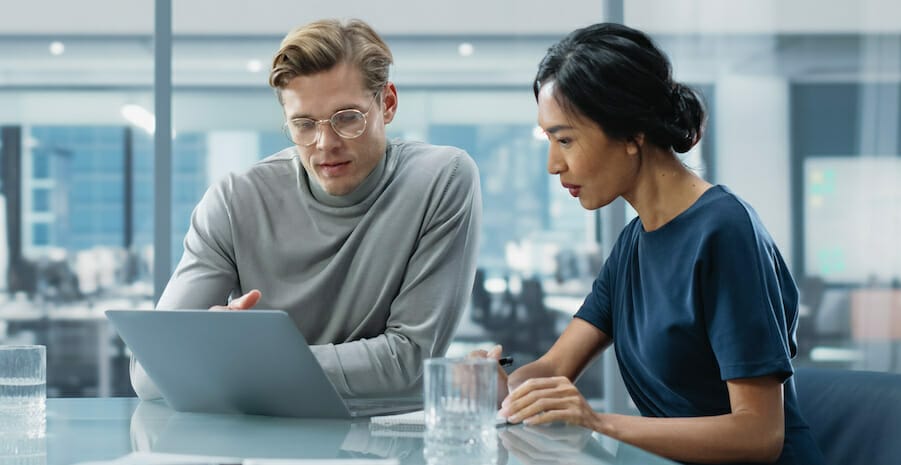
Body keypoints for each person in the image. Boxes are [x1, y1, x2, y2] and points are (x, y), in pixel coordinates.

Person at [475, 23, 824, 465]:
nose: (552, 164)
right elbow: (552, 367)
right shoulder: (633, 244)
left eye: (565, 140)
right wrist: (500, 386)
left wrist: (598, 421)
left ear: (632, 134)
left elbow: (760, 433)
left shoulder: (725, 231)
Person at [131, 18, 482, 400]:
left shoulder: (441, 179)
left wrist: (237, 362)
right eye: (303, 124)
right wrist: (220, 351)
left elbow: (409, 362)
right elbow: (149, 372)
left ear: (388, 104)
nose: (325, 143)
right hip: (260, 448)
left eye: (348, 118)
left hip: (386, 448)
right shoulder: (234, 200)